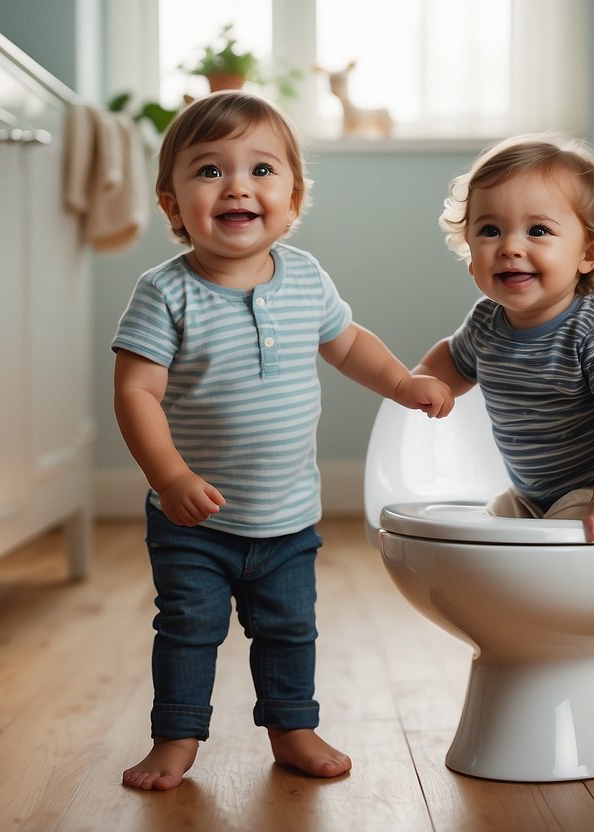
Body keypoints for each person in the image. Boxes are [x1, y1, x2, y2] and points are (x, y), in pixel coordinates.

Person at [112, 91, 453, 791]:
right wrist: (170, 476)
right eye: (208, 171)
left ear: (293, 199)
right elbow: (135, 392)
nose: (237, 185)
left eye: (261, 169)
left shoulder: (304, 277)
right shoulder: (164, 293)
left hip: (288, 515)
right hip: (194, 521)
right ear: (173, 206)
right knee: (187, 629)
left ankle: (292, 727)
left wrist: (400, 382)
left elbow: (348, 343)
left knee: (289, 631)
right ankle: (176, 738)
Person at [414, 134, 594, 561]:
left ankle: (567, 621)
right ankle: (519, 623)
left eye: (538, 231)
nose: (511, 247)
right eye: (490, 230)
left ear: (588, 253)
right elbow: (452, 360)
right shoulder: (485, 322)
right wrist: (425, 379)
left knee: (552, 546)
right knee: (483, 538)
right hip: (532, 493)